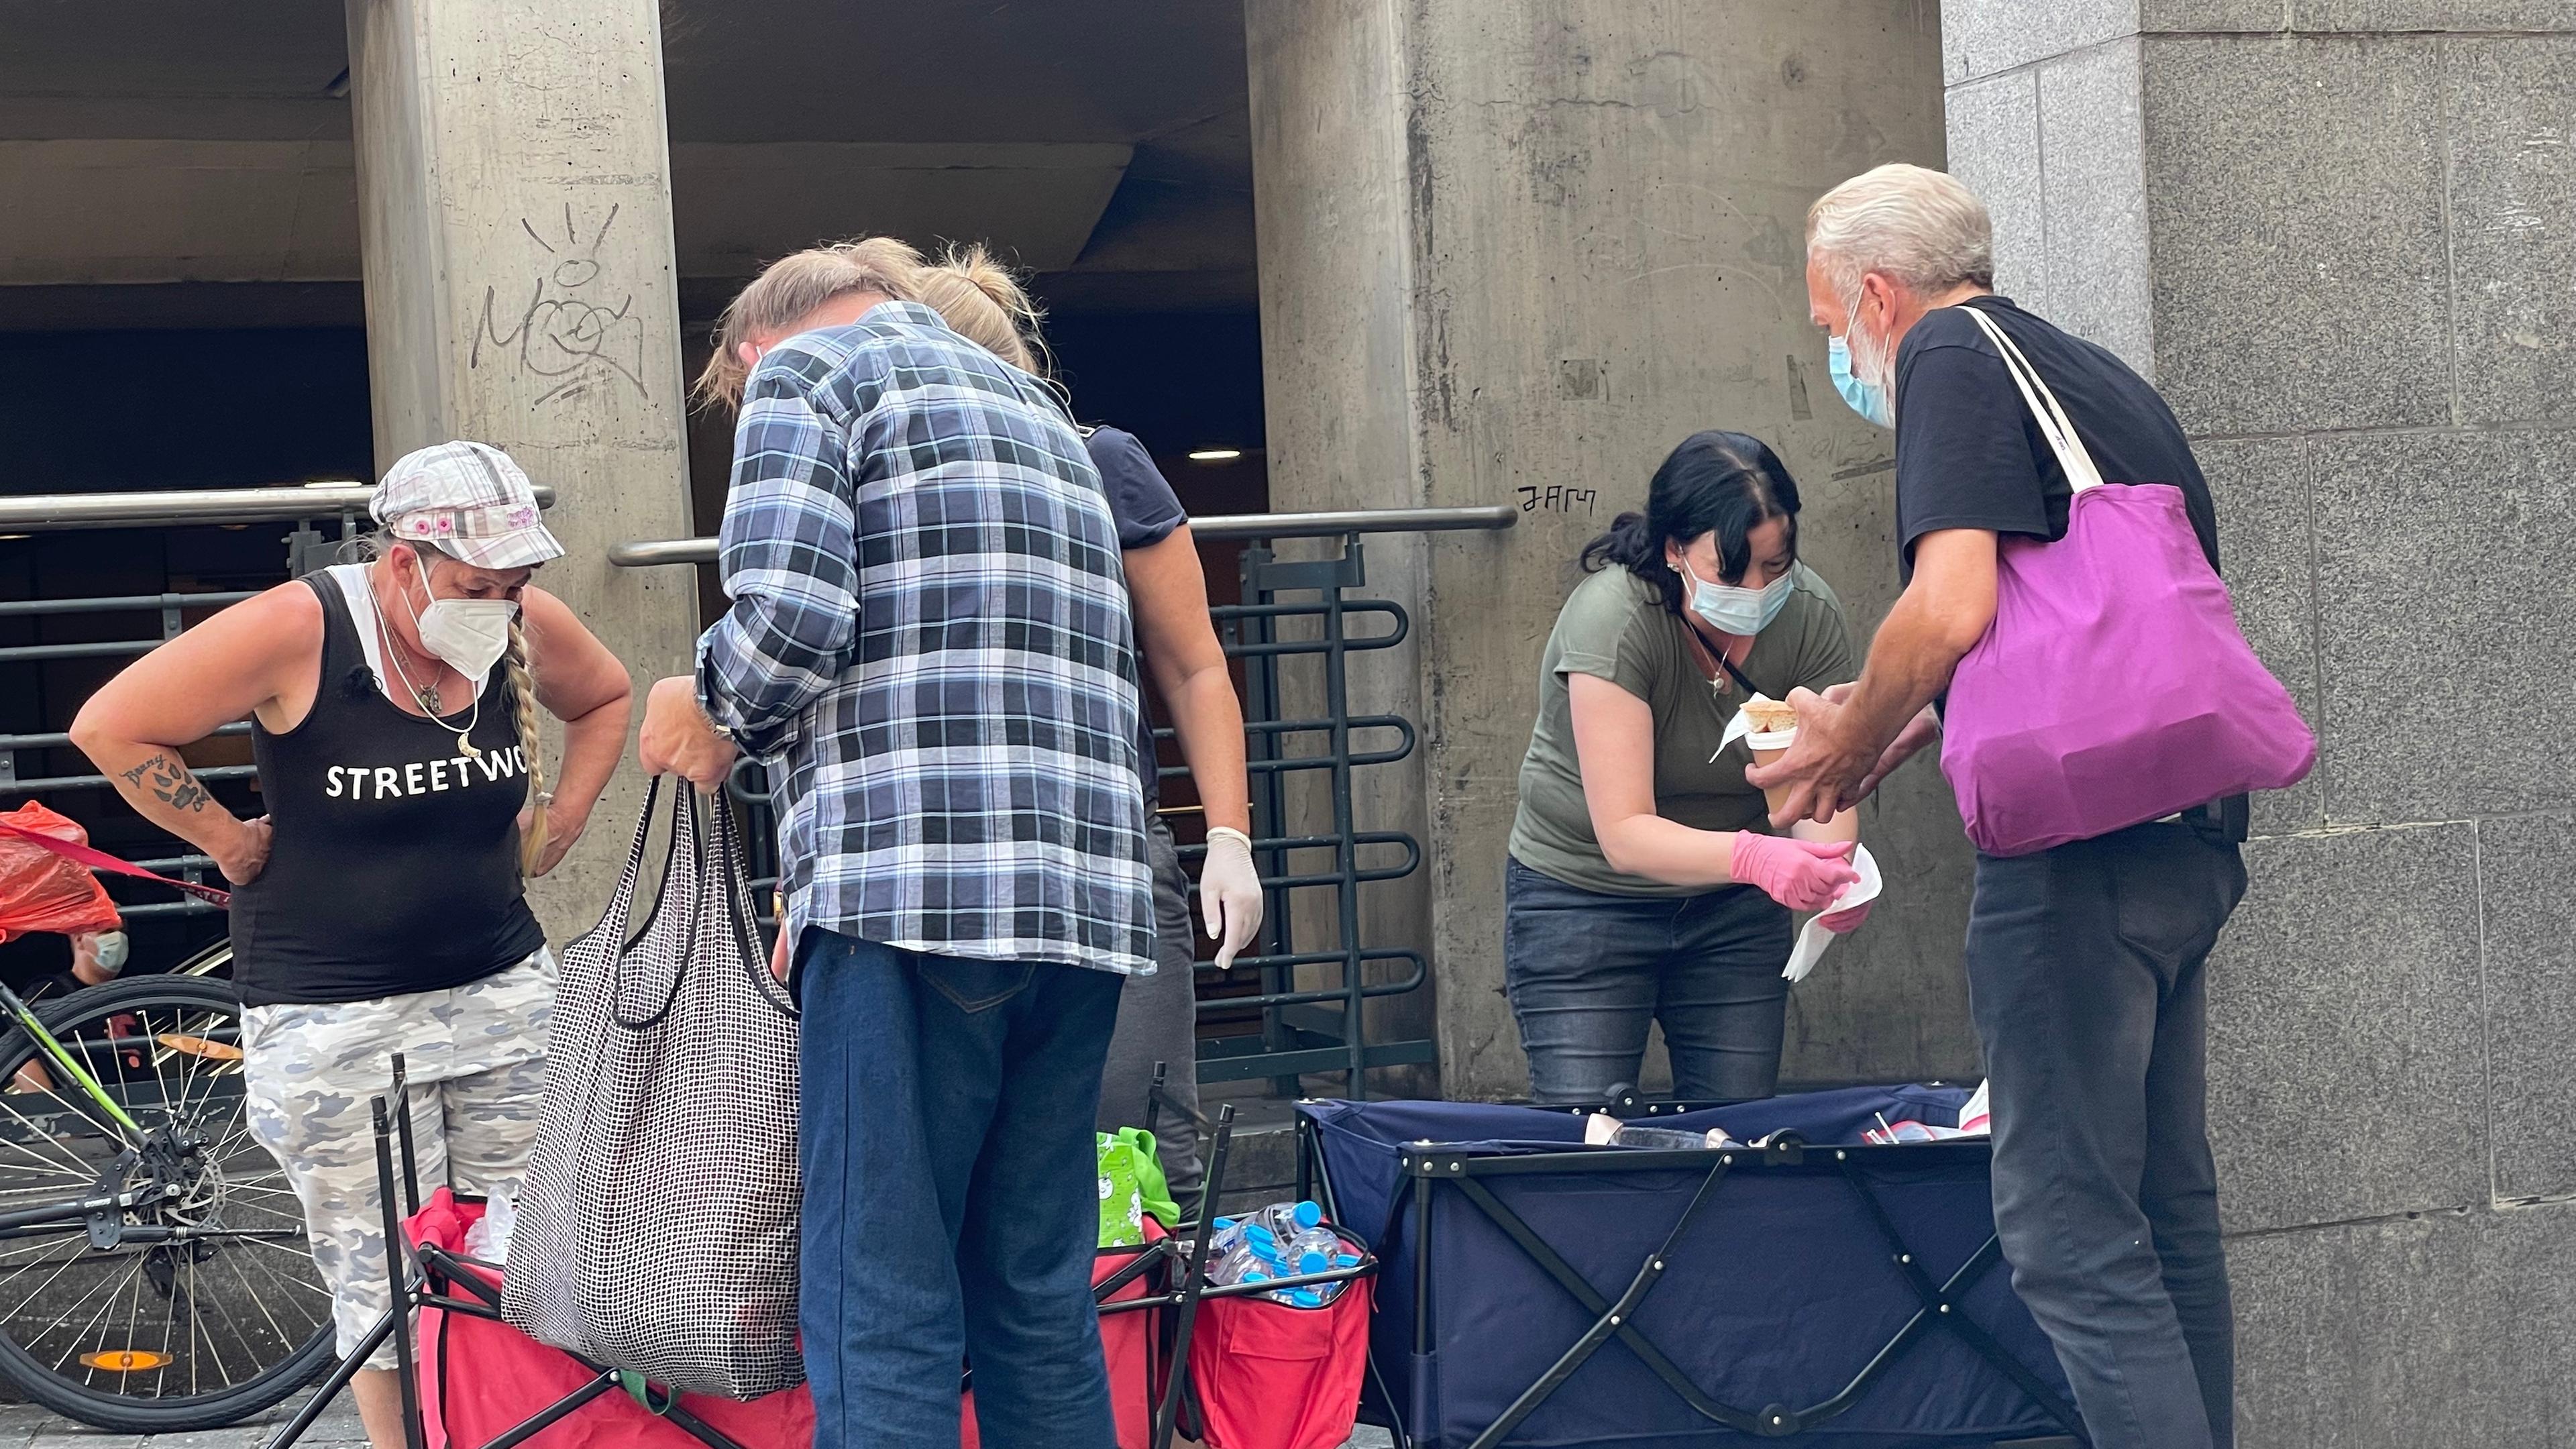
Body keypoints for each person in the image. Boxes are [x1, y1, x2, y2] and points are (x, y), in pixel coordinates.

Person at [1755, 163, 2247, 1449]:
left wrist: (1849, 739)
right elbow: (2071, 629)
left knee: (2070, 1235)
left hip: (2076, 859)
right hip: (2182, 839)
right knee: (2164, 1218)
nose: (1839, 353)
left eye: (1830, 325)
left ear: (1877, 295)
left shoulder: (1949, 358)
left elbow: (1954, 604)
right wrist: (1908, 716)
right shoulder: (2090, 374)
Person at [644, 238, 1155, 1449]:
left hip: (909, 901)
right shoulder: (1035, 408)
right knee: (1036, 1295)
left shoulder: (806, 373)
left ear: (752, 348)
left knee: (878, 1293)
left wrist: (703, 702)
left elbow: (790, 623)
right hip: (1084, 906)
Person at [69, 442, 633, 1449]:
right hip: (336, 1016)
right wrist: (225, 840)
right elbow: (112, 726)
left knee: (534, 1261)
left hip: (502, 990)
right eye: (477, 586)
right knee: (386, 1289)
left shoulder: (516, 619)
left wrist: (566, 816)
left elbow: (604, 695)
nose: (499, 604)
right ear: (403, 560)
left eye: (514, 585)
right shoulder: (303, 626)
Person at [910, 244, 1260, 1203]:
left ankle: (1152, 1310)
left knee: (1137, 1160)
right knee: (978, 1171)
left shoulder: (1100, 461)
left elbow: (1192, 664)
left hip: (1104, 849)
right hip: (944, 863)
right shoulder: (897, 477)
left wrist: (1228, 838)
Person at [1504, 431, 1868, 1106]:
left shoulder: (1806, 616)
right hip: (1585, 896)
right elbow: (1625, 833)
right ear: (1674, 549)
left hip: (1731, 913)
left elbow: (1808, 781)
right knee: (1587, 1128)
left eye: (1776, 565)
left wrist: (1835, 873)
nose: (1758, 590)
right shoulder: (1616, 620)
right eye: (1732, 572)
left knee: (1735, 1130)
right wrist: (1759, 858)